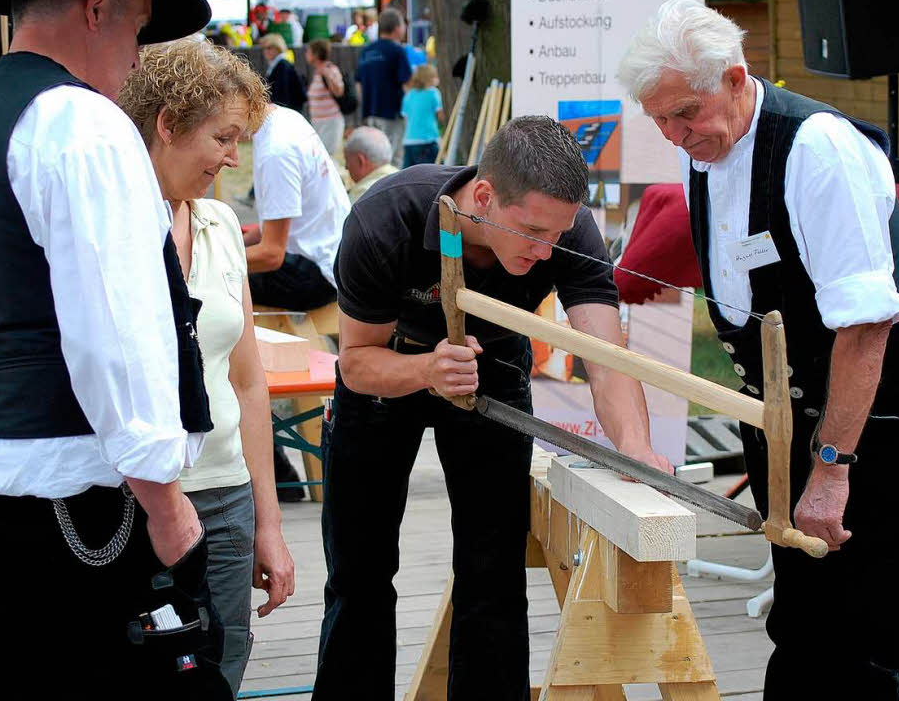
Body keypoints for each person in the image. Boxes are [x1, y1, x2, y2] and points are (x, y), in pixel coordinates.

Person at [0, 0, 233, 699]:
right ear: (98, 7)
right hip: (81, 503)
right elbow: (113, 332)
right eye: (136, 31)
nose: (136, 61)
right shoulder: (81, 125)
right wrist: (165, 500)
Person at [618, 0, 899, 701]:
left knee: (879, 626)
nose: (675, 135)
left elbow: (865, 328)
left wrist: (831, 468)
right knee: (802, 611)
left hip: (879, 414)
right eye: (659, 120)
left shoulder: (818, 150)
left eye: (685, 113)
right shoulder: (705, 150)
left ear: (736, 78)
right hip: (782, 408)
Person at [313, 116, 672, 700]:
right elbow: (356, 362)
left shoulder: (568, 228)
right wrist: (427, 369)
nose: (544, 250)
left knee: (493, 568)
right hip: (389, 367)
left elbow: (603, 357)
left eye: (556, 235)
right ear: (483, 196)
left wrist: (634, 450)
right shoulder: (385, 220)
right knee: (360, 573)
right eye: (531, 231)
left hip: (494, 366)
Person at [119, 40, 296, 699]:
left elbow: (248, 380)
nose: (232, 158)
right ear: (166, 124)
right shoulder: (109, 225)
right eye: (223, 137)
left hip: (225, 496)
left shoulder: (222, 224)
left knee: (224, 659)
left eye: (241, 140)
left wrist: (268, 526)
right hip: (133, 499)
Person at [245, 103, 351, 500]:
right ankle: (275, 466)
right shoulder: (286, 118)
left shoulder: (274, 150)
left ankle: (271, 469)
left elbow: (271, 254)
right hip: (326, 257)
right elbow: (282, 225)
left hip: (313, 276)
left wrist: (208, 253)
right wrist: (242, 236)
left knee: (208, 297)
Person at [356, 8, 411, 165]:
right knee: (391, 160)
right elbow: (407, 82)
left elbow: (359, 84)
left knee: (374, 157)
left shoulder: (367, 51)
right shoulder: (397, 51)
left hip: (369, 113)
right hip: (392, 113)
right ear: (397, 28)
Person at [305, 39, 345, 157]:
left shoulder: (329, 69)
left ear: (316, 54)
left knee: (326, 157)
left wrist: (328, 75)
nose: (306, 54)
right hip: (318, 123)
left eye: (309, 52)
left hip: (330, 122)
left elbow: (339, 91)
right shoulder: (316, 72)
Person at [401, 63, 444, 167]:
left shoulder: (408, 95)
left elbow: (405, 118)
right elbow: (440, 116)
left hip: (409, 141)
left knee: (410, 175)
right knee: (433, 172)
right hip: (427, 140)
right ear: (430, 78)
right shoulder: (433, 93)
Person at [344, 125, 397, 203]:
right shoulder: (402, 179)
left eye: (347, 161)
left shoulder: (363, 194)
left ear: (360, 160)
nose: (346, 167)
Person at [259, 33, 306, 113]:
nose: (265, 51)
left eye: (269, 48)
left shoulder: (282, 66)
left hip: (287, 112)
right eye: (264, 48)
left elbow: (283, 95)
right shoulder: (277, 65)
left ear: (278, 48)